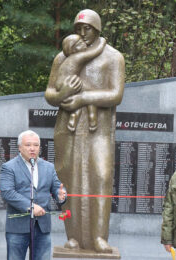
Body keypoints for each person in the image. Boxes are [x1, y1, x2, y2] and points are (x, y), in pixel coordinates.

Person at [45, 9, 125, 253]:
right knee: (69, 182)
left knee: (100, 176)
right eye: (78, 28)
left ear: (97, 28)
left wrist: (82, 98)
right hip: (67, 130)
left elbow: (116, 95)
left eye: (87, 28)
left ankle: (100, 237)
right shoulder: (62, 57)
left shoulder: (113, 57)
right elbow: (49, 93)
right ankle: (72, 237)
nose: (82, 33)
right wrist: (60, 95)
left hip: (98, 130)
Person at [0, 130, 67, 260]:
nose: (32, 148)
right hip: (18, 227)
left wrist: (61, 195)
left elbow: (57, 187)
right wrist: (30, 206)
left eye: (36, 145)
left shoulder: (48, 167)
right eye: (28, 145)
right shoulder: (9, 167)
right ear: (19, 147)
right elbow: (7, 192)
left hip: (42, 227)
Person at [57, 34, 106, 132]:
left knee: (77, 99)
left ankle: (74, 115)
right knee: (89, 93)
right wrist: (102, 41)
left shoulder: (68, 59)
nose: (83, 43)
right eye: (79, 43)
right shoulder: (78, 56)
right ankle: (92, 116)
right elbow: (95, 52)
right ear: (73, 49)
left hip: (61, 84)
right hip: (69, 83)